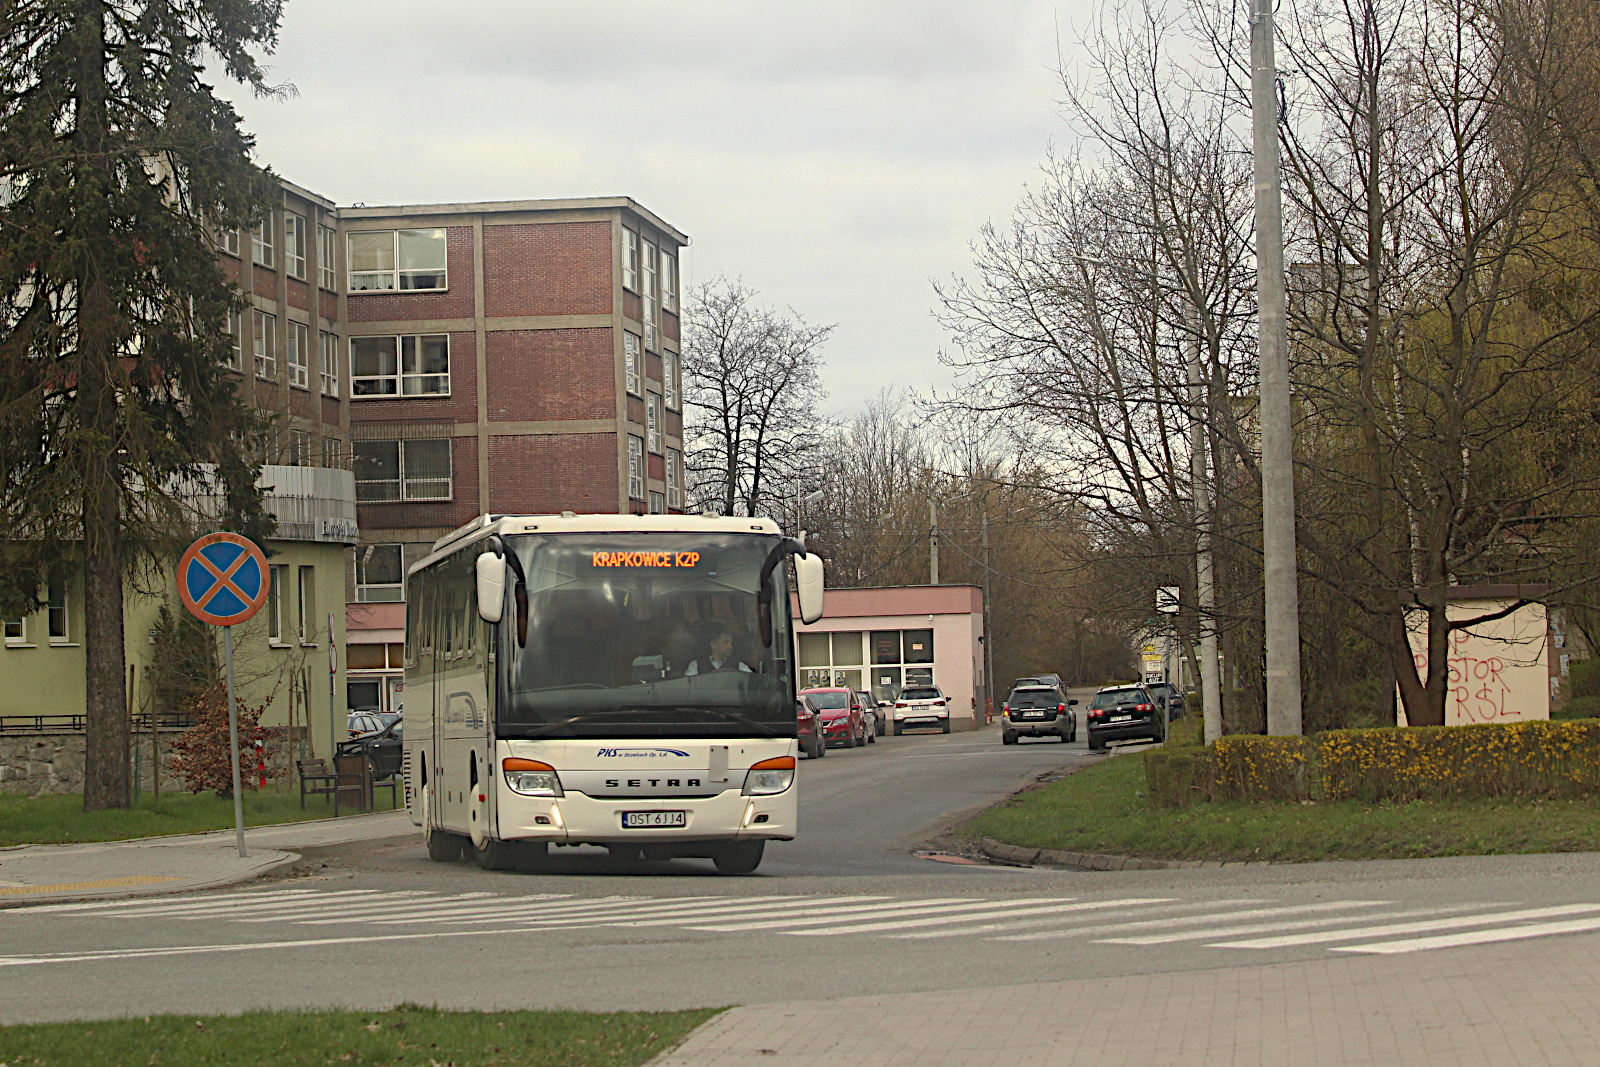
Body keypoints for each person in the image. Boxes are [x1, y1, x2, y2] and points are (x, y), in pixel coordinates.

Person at [684, 622, 752, 676]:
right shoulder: (696, 665)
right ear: (713, 645)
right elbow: (687, 687)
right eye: (725, 642)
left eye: (731, 643)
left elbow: (752, 681)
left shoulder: (740, 666)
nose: (730, 646)